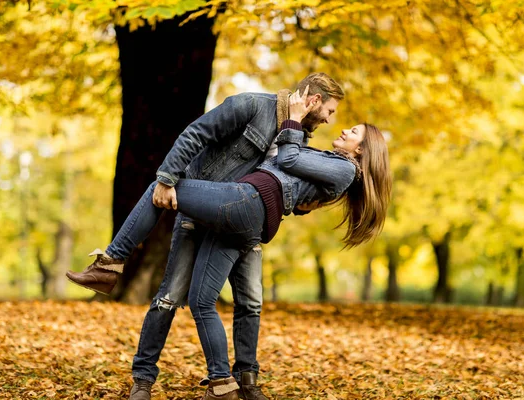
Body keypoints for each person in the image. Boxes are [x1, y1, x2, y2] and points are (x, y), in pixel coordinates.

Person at [71, 105, 392, 399]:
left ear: (361, 149)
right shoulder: (327, 157)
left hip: (244, 202)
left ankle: (111, 262)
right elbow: (294, 178)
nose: (343, 128)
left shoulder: (346, 171)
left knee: (161, 187)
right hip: (239, 210)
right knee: (200, 300)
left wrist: (293, 119)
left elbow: (289, 159)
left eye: (354, 132)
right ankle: (221, 383)